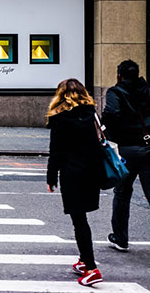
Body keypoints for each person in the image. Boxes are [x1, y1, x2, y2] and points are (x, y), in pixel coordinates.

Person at [46, 78, 103, 286]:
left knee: (79, 221)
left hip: (72, 174)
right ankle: (83, 259)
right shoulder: (91, 114)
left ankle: (91, 267)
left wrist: (51, 178)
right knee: (82, 218)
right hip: (91, 173)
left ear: (60, 95)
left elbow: (56, 152)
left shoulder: (60, 118)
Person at [102, 59, 150, 252]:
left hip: (126, 149)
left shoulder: (115, 92)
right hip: (148, 146)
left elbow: (111, 114)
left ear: (119, 75)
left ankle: (120, 237)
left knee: (122, 193)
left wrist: (110, 134)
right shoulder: (147, 90)